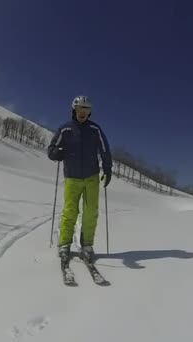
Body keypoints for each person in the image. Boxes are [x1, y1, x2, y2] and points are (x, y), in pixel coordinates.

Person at [47, 95, 113, 263]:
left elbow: (105, 150)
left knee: (91, 212)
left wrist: (107, 169)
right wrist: (56, 153)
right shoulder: (66, 129)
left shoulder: (95, 129)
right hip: (72, 177)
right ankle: (64, 245)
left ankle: (87, 245)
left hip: (91, 177)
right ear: (74, 110)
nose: (82, 112)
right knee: (70, 211)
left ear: (89, 112)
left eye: (86, 110)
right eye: (79, 109)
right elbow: (52, 148)